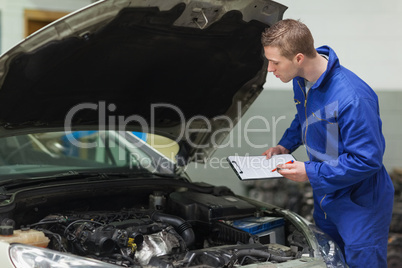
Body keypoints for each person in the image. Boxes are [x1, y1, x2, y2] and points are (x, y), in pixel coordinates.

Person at [261, 19, 394, 268]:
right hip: (327, 195)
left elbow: (367, 160)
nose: (270, 68)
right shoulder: (302, 80)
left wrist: (309, 172)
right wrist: (285, 146)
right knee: (330, 261)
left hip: (360, 202)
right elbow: (307, 117)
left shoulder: (353, 98)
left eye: (275, 62)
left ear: (298, 58)